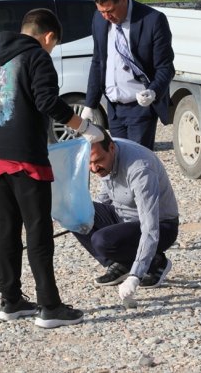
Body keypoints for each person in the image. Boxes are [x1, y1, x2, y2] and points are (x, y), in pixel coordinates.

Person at [0, 8, 104, 329]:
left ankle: (10, 300)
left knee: (7, 224)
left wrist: (1, 125)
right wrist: (84, 127)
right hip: (26, 154)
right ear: (48, 37)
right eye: (53, 45)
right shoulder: (37, 58)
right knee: (39, 228)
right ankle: (50, 306)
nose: (51, 50)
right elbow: (48, 102)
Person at [72, 126, 179, 302]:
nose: (94, 168)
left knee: (102, 240)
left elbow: (150, 227)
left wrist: (136, 276)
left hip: (161, 226)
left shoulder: (139, 168)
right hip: (122, 217)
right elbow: (104, 199)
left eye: (97, 161)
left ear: (112, 147)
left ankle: (156, 263)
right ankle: (120, 263)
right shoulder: (105, 158)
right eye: (88, 163)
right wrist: (80, 221)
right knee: (75, 210)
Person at [81, 0, 175, 151]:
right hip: (114, 108)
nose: (107, 16)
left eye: (110, 10)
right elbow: (98, 61)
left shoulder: (152, 20)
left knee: (137, 162)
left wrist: (153, 91)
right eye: (101, 11)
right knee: (116, 162)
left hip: (139, 106)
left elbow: (166, 67)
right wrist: (90, 104)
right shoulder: (99, 19)